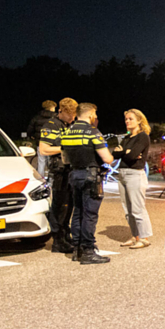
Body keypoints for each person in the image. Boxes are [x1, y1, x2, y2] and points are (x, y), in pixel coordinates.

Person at [61, 103, 114, 264]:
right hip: (91, 176)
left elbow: (65, 158)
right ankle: (88, 251)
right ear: (91, 115)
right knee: (90, 215)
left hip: (74, 175)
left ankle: (77, 249)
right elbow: (107, 159)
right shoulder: (93, 132)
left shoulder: (68, 132)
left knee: (78, 212)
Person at [39, 97, 78, 253]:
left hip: (71, 170)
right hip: (59, 172)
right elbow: (43, 149)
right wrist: (65, 148)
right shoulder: (51, 125)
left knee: (70, 206)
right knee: (60, 206)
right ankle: (58, 240)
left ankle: (65, 235)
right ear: (61, 111)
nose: (72, 118)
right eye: (70, 115)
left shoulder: (71, 124)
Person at [114, 109, 153, 249]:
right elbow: (115, 155)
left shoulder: (143, 137)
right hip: (122, 174)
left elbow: (132, 156)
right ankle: (135, 236)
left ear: (139, 121)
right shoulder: (126, 138)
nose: (127, 121)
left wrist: (124, 152)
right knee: (127, 209)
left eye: (130, 119)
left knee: (137, 208)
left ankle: (144, 238)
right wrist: (127, 152)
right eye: (126, 119)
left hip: (134, 174)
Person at [27, 100, 57, 176]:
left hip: (40, 142)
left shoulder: (37, 117)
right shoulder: (56, 117)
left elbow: (30, 128)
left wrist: (32, 136)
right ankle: (52, 179)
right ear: (52, 107)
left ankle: (41, 179)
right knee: (52, 163)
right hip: (53, 144)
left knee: (41, 162)